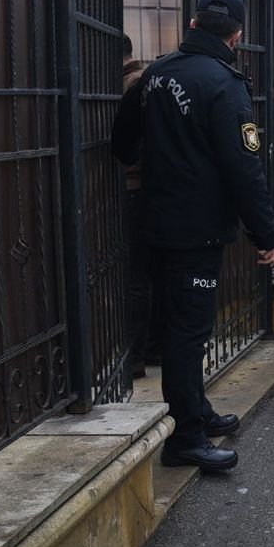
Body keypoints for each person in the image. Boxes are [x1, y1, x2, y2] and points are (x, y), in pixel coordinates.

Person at [112, 0, 274, 472]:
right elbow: (243, 167)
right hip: (198, 227)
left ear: (191, 25)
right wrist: (265, 234)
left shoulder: (156, 73)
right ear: (237, 35)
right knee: (189, 332)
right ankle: (186, 436)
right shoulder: (224, 84)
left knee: (175, 323)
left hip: (155, 216)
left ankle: (196, 411)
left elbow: (123, 141)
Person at [120, 33, 156, 381]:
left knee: (137, 276)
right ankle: (150, 348)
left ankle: (135, 355)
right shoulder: (144, 81)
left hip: (136, 186)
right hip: (150, 187)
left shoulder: (132, 85)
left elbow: (128, 143)